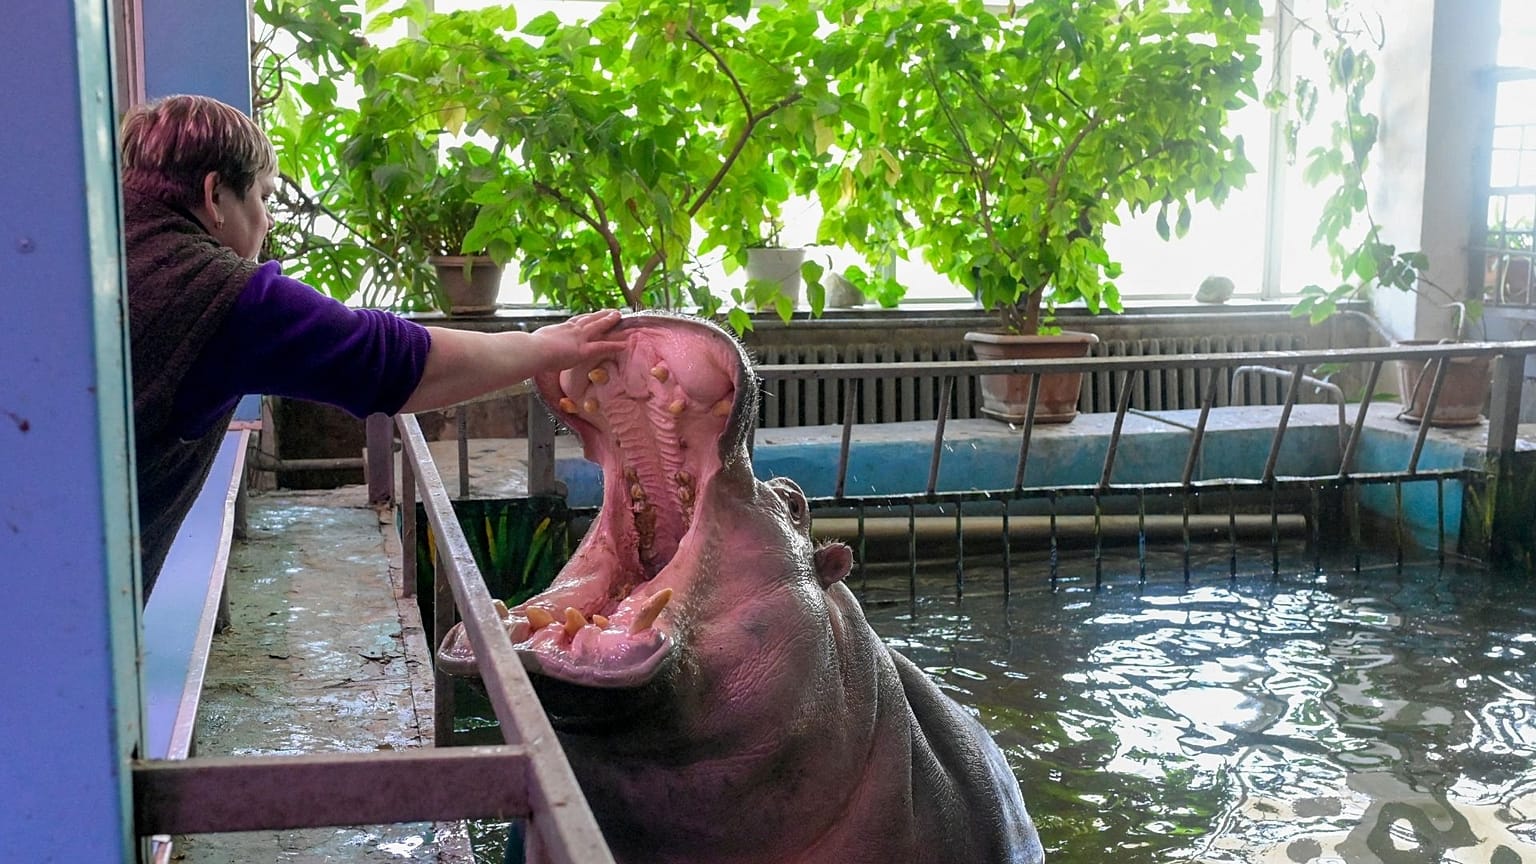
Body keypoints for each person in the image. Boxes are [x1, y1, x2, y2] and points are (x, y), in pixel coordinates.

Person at [120, 93, 625, 600]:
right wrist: (544, 347)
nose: (268, 221)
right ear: (214, 195)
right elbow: (394, 362)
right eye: (264, 197)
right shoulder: (216, 293)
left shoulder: (105, 245)